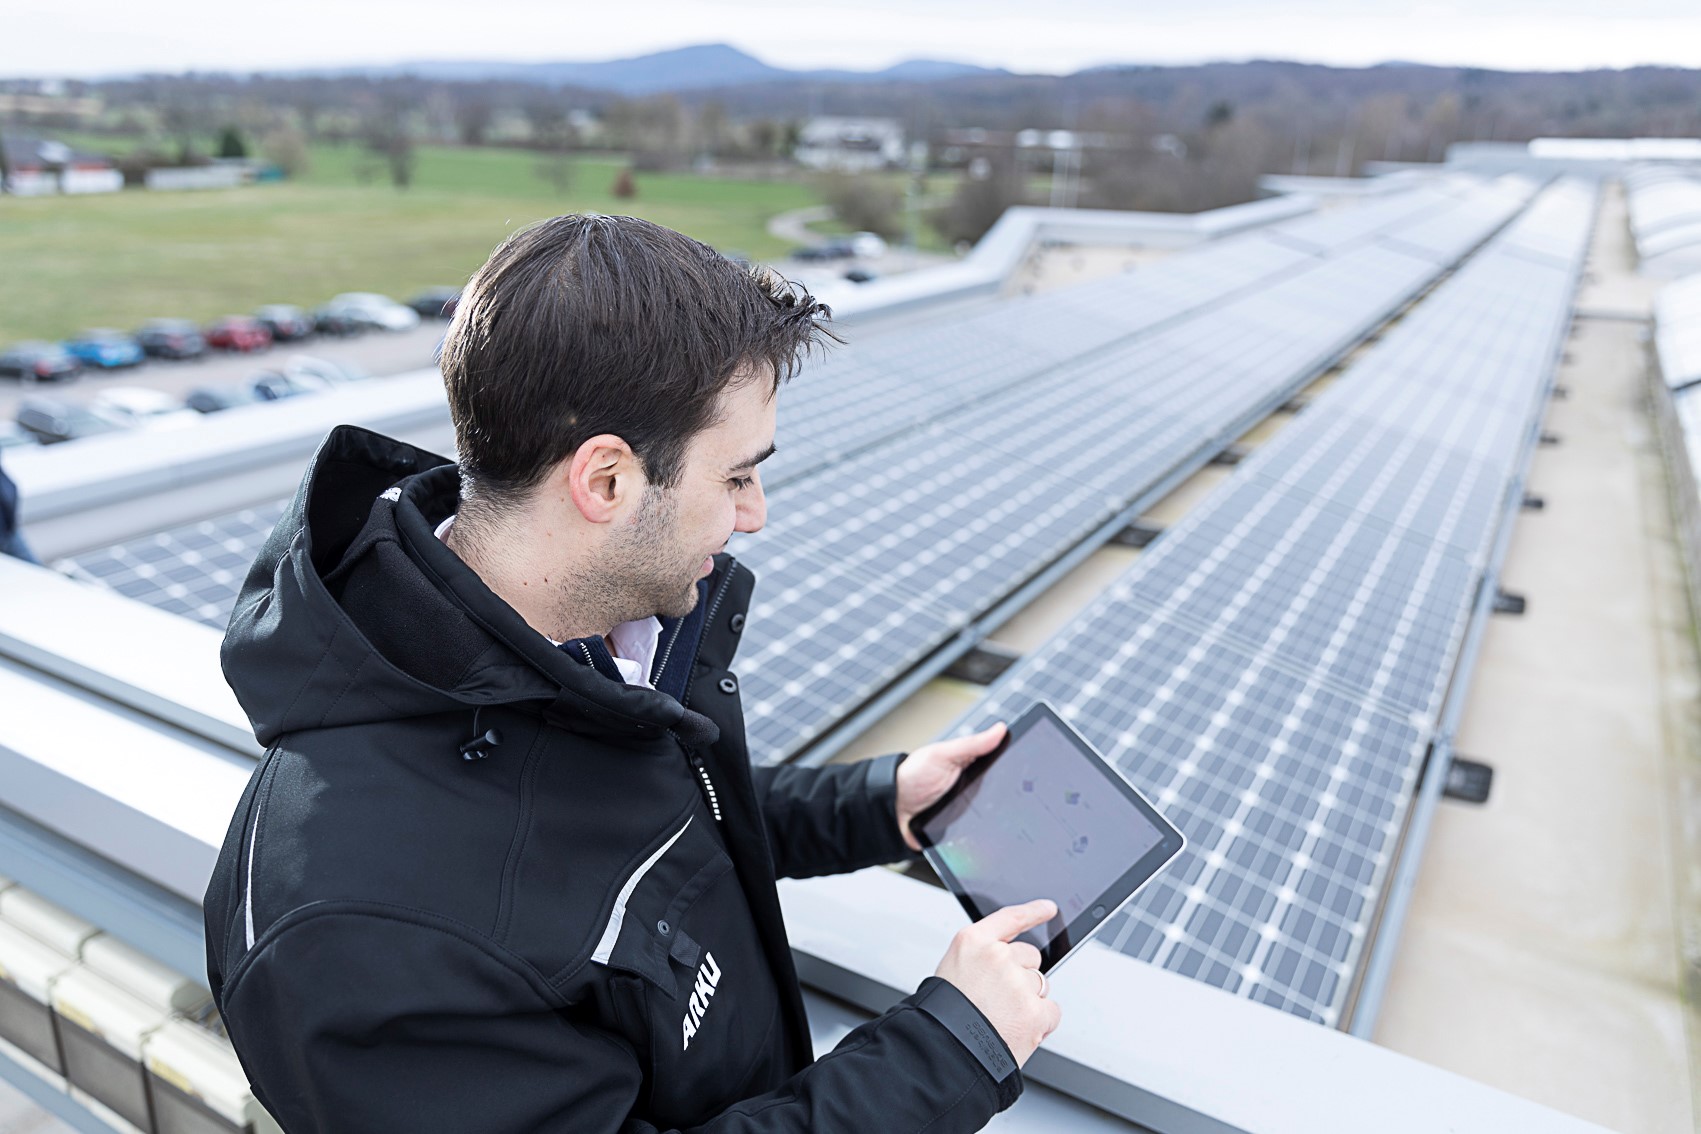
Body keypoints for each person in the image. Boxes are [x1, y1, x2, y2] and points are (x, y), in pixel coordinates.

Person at [203, 214, 1061, 1133]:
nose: (755, 513)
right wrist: (948, 1052)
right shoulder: (359, 938)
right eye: (735, 477)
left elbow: (642, 834)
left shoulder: (566, 655)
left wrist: (876, 802)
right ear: (604, 481)